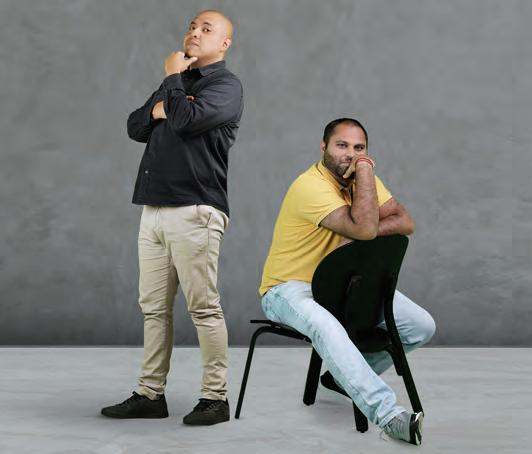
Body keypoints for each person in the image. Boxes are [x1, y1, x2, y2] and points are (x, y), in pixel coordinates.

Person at [101, 10, 243, 426]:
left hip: (195, 209)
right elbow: (135, 126)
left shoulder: (225, 86)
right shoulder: (180, 80)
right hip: (154, 210)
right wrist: (165, 101)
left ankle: (215, 399)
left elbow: (183, 121)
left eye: (206, 29)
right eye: (192, 26)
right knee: (153, 309)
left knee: (203, 309)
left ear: (224, 44)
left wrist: (171, 87)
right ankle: (150, 394)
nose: (194, 33)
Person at [259, 118, 435, 444]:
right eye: (342, 145)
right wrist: (366, 169)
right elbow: (365, 229)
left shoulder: (361, 182)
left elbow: (405, 222)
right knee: (328, 327)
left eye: (359, 148)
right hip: (288, 288)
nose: (350, 155)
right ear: (323, 147)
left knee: (421, 326)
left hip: (337, 284)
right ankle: (389, 416)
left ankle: (344, 380)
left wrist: (363, 185)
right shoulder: (310, 186)